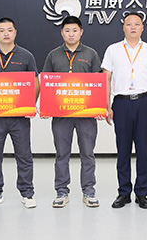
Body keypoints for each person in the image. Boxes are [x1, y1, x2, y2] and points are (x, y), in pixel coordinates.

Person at [101, 12, 147, 209]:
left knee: (143, 150)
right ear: (123, 27)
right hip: (121, 103)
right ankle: (124, 193)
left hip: (144, 102)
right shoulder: (112, 50)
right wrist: (106, 105)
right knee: (123, 150)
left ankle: (142, 193)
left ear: (142, 27)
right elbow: (106, 79)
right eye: (129, 24)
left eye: (137, 24)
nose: (133, 27)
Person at [0, 17, 40, 209]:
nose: (6, 33)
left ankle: (27, 193)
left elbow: (35, 82)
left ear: (15, 32)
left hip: (19, 117)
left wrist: (31, 104)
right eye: (2, 30)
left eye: (10, 30)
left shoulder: (26, 56)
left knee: (24, 155)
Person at [42, 16, 103, 208]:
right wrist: (45, 107)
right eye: (67, 30)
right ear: (62, 33)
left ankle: (89, 191)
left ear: (81, 32)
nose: (71, 34)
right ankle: (62, 191)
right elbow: (47, 83)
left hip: (86, 114)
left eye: (75, 30)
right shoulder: (53, 55)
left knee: (88, 153)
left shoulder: (91, 54)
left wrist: (100, 107)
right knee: (62, 154)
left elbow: (98, 83)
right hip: (61, 115)